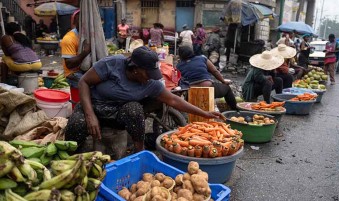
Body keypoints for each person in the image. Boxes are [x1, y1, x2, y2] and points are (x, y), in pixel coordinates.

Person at [64, 46, 223, 152]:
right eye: (147, 73)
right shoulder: (112, 64)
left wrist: (205, 113)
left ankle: (138, 153)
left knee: (135, 109)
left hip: (118, 113)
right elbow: (83, 82)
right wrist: (90, 115)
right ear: (134, 69)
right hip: (93, 105)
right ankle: (72, 160)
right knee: (76, 125)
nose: (150, 78)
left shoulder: (150, 83)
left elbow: (175, 101)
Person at [177, 46, 237, 110]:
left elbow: (178, 81)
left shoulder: (179, 66)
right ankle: (235, 110)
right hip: (208, 88)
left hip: (191, 92)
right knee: (227, 89)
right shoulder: (202, 58)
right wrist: (223, 81)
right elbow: (214, 71)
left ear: (180, 56)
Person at [60, 10, 91, 105]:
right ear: (75, 22)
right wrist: (85, 52)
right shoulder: (69, 39)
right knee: (93, 85)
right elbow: (69, 64)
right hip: (73, 73)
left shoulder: (90, 35)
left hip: (84, 69)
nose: (83, 23)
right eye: (80, 21)